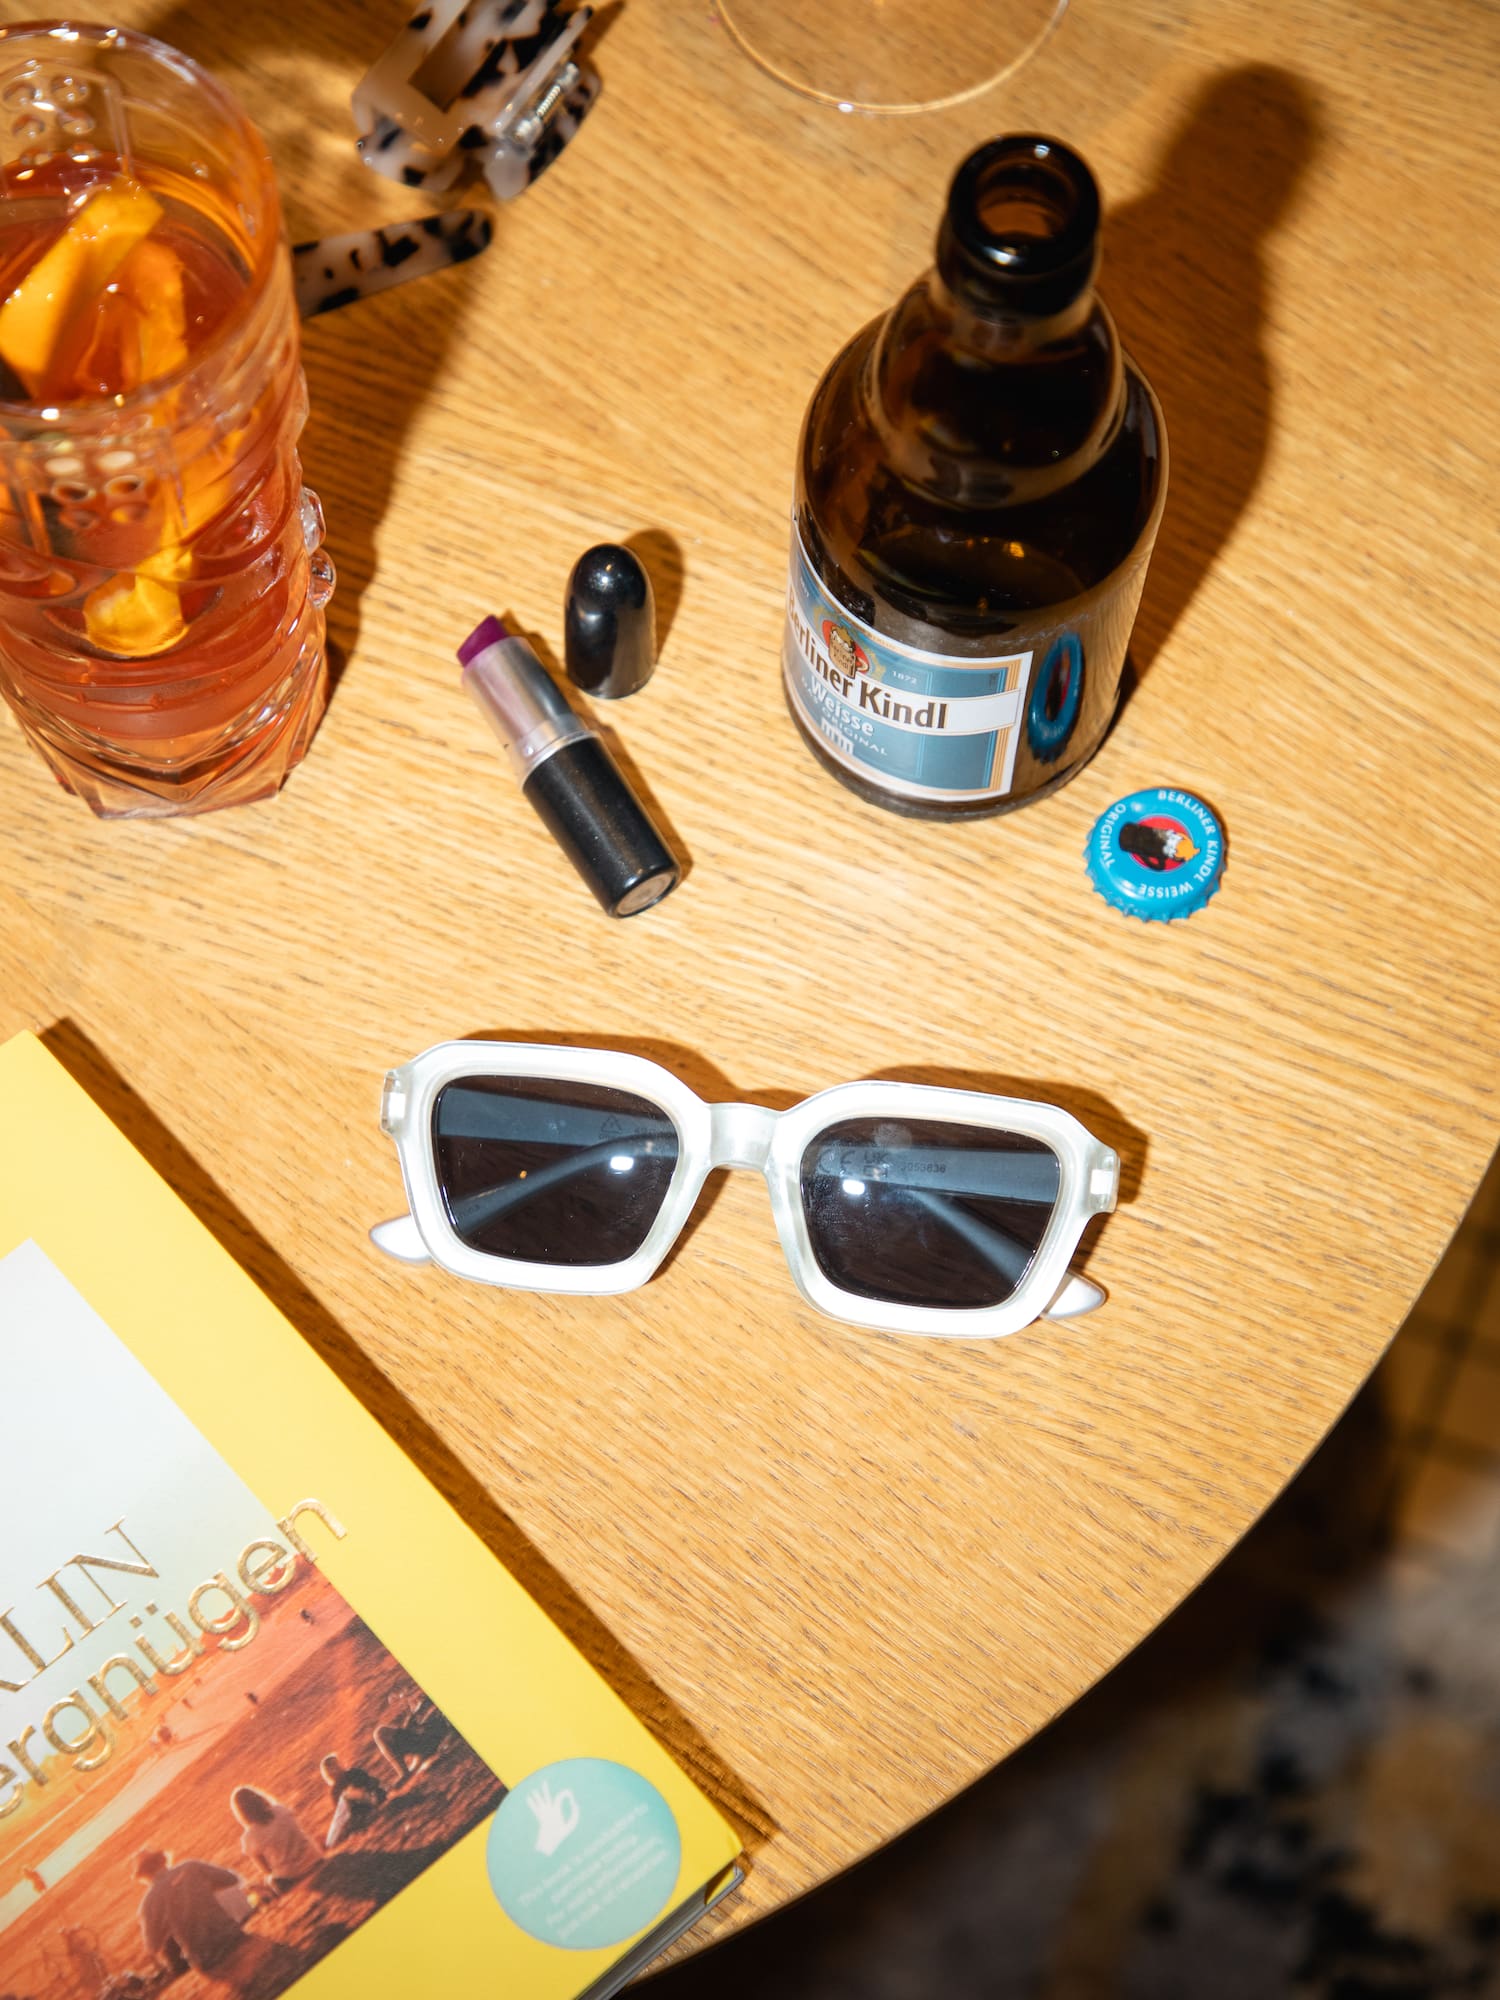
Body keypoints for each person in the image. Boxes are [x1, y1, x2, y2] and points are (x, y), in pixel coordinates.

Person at [134, 1849, 246, 1977]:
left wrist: (168, 1923)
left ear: (143, 1876)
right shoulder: (190, 1866)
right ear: (163, 1859)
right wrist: (204, 1891)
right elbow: (232, 1879)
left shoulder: (149, 1902)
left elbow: (152, 1946)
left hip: (205, 1957)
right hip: (231, 1935)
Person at [230, 1786, 321, 1893]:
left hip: (290, 1876)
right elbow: (301, 1832)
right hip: (314, 1858)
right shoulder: (281, 1810)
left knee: (269, 1882)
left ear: (241, 1813)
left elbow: (266, 1870)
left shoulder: (249, 1837)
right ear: (259, 1797)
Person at [373, 1692, 447, 1785]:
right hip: (426, 1741)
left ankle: (403, 1773)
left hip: (426, 1741)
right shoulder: (425, 1703)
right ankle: (404, 1776)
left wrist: (413, 1713)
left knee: (380, 1733)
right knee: (412, 1771)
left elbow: (419, 1725)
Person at [319, 1755, 386, 1849]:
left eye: (336, 1765)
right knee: (341, 1817)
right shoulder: (335, 1791)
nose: (335, 1769)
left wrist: (361, 1790)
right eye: (331, 1768)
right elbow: (341, 1812)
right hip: (357, 1813)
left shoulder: (353, 1772)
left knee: (346, 1796)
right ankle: (330, 1843)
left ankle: (332, 1841)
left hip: (372, 1798)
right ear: (328, 1774)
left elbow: (375, 1782)